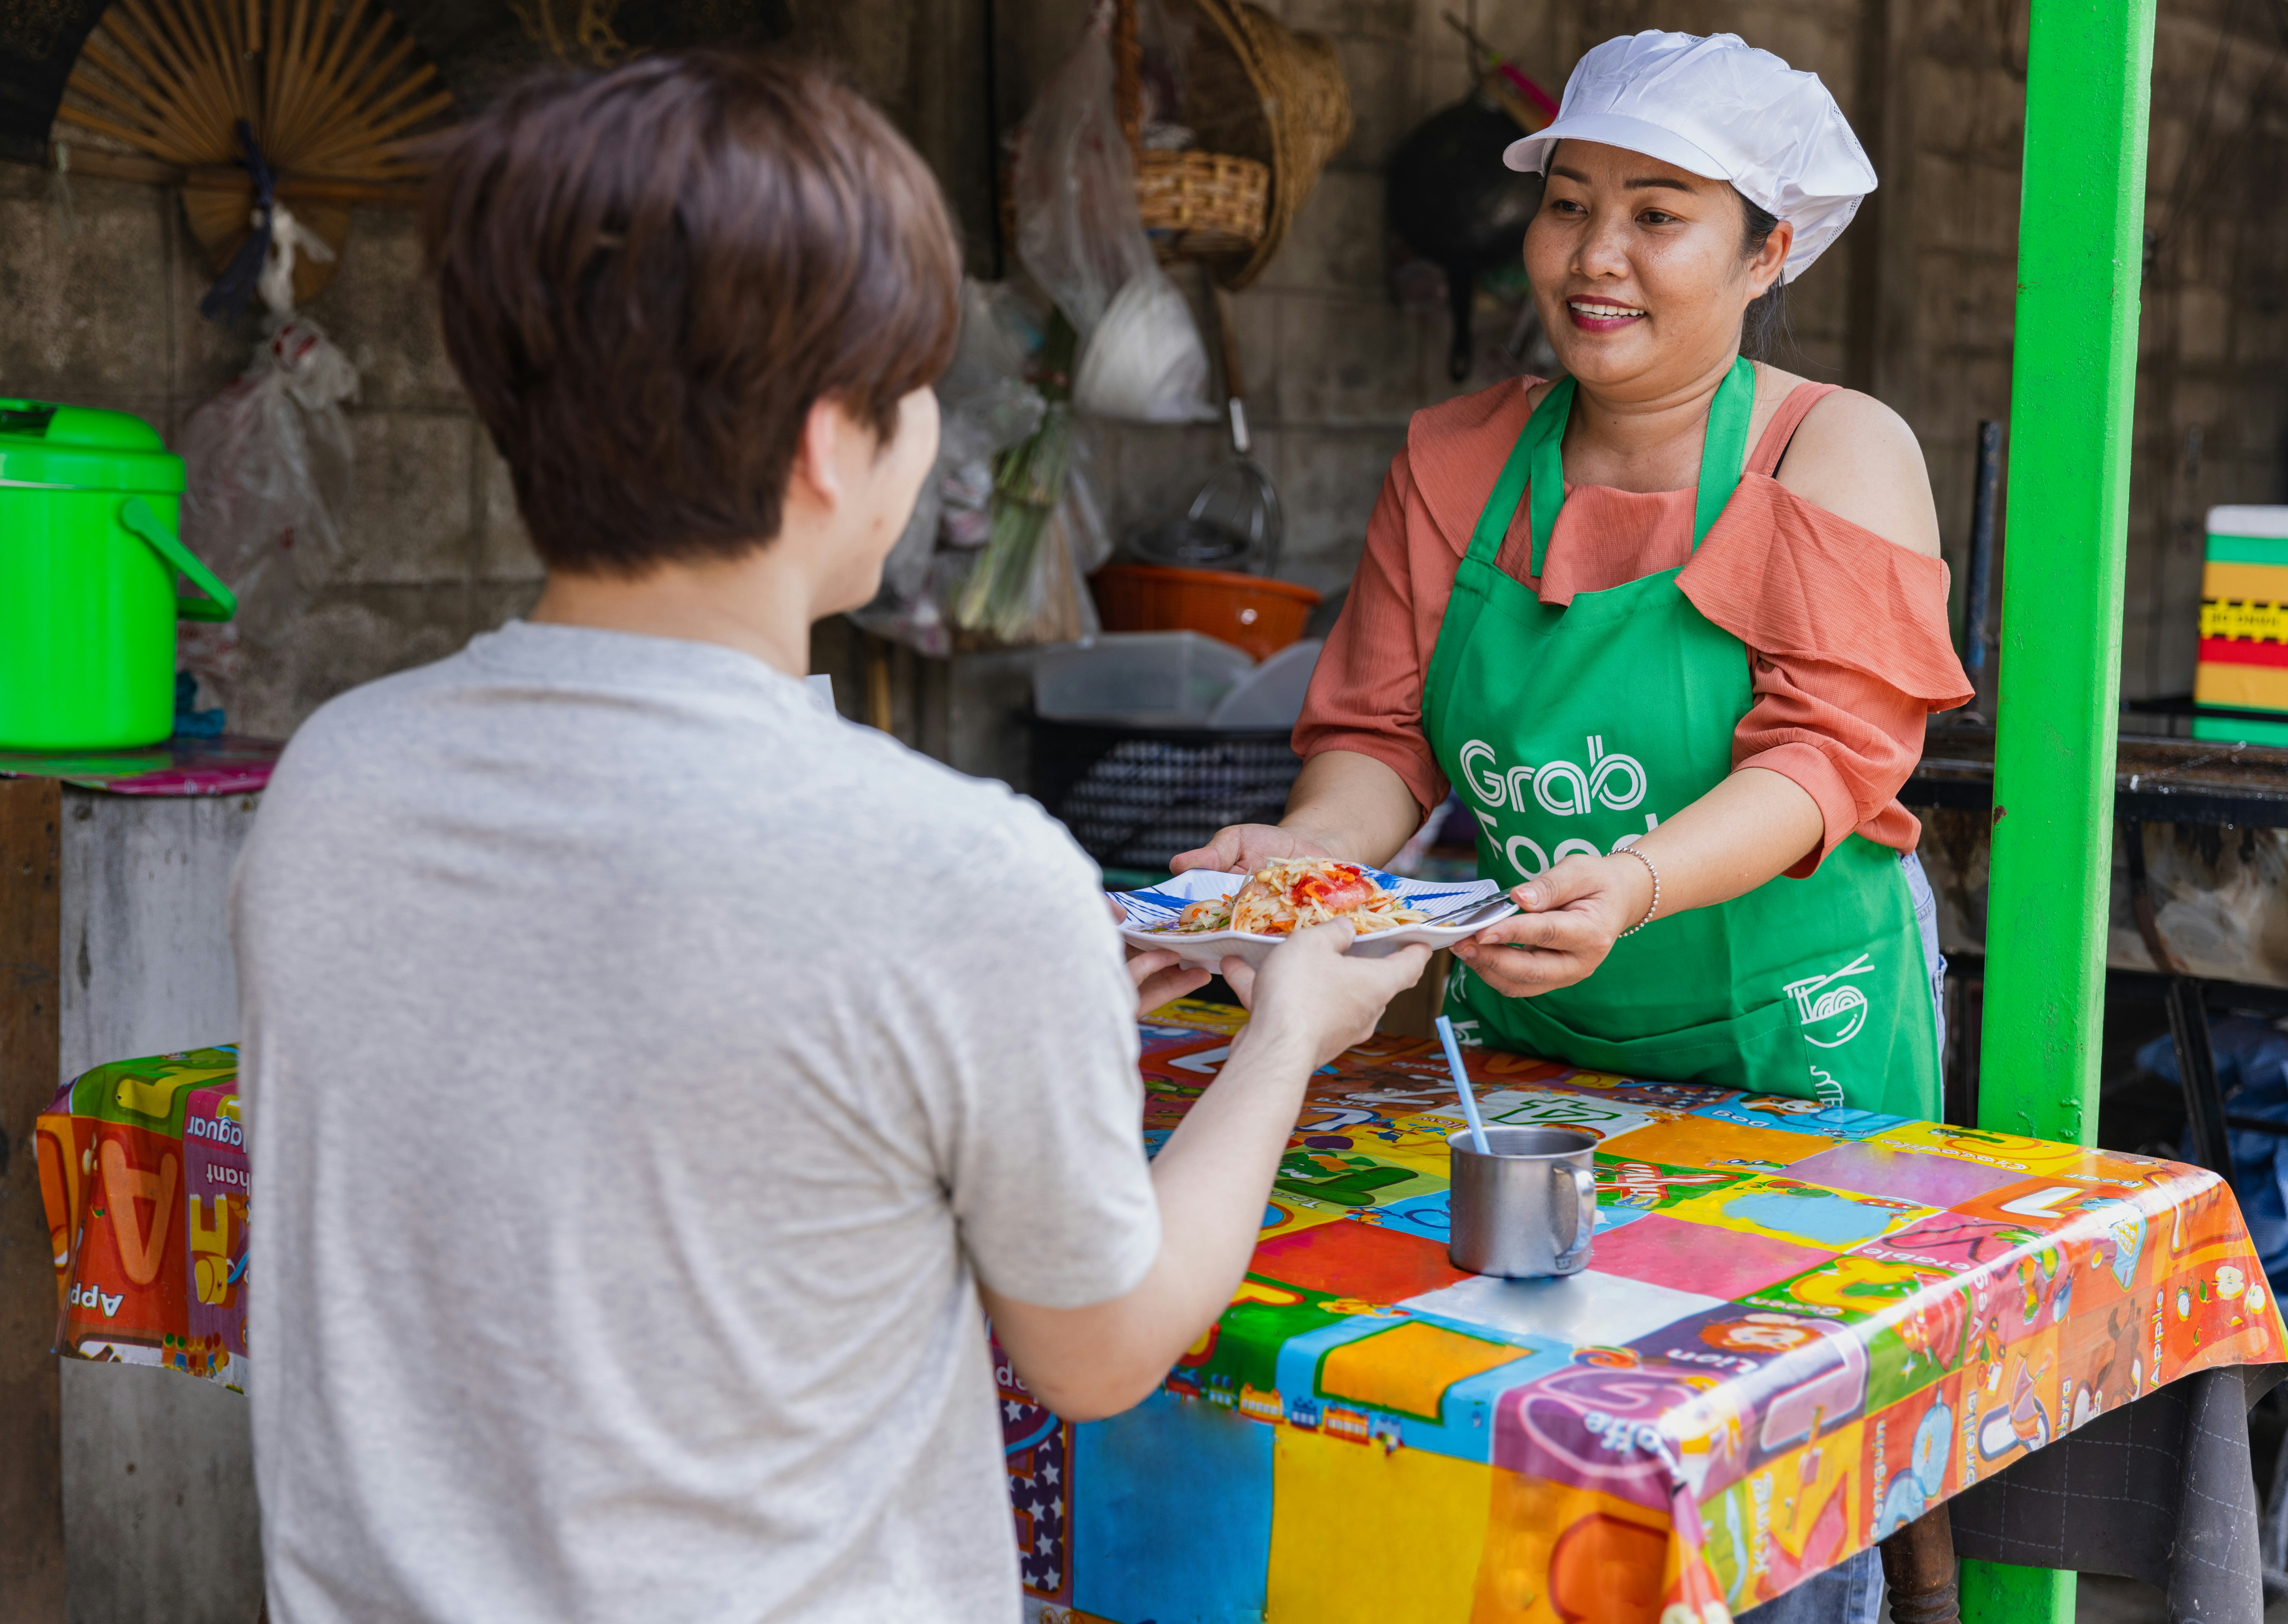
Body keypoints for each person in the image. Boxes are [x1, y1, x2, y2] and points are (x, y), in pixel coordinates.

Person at [231, 54, 1424, 1624]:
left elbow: (653, 1083)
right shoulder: (952, 877)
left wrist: (1031, 1006)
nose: (934, 436)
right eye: (921, 391)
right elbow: (1102, 1346)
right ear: (825, 443)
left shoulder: (331, 783)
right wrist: (1292, 1028)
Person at [1174, 32, 1973, 1620]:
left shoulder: (1835, 450)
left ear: (1767, 251)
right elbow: (1382, 742)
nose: (1594, 257)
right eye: (1570, 206)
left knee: (1768, 1470)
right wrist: (1310, 855)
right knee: (1522, 1459)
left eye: (1658, 214)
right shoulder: (1455, 458)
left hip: (1791, 1037)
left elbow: (1829, 756)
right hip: (1535, 1044)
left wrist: (1643, 878)